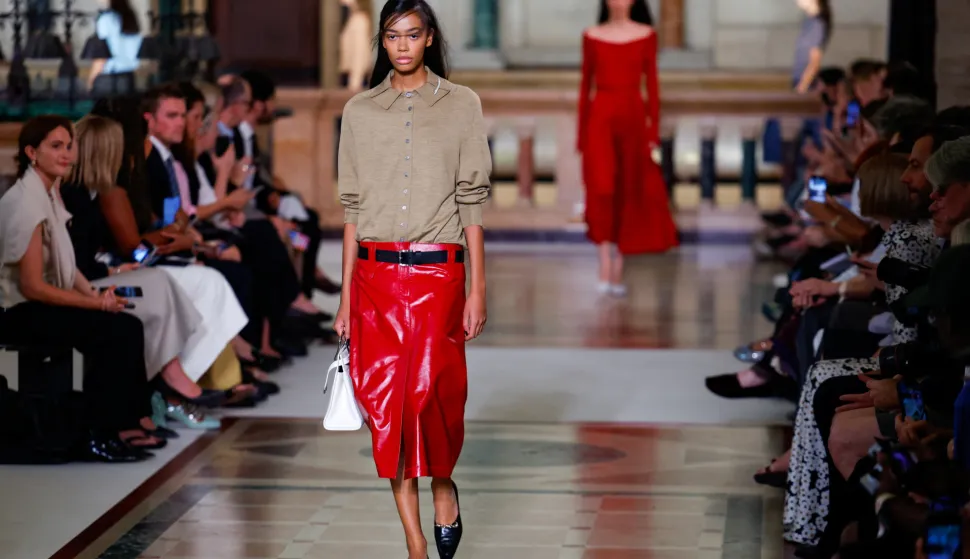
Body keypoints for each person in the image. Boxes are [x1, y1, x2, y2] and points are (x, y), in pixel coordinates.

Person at [332, 1, 490, 557]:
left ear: (428, 39)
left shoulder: (462, 104)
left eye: (412, 35)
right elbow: (351, 210)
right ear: (382, 41)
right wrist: (345, 298)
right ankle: (416, 544)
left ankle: (444, 484)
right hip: (373, 280)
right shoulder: (359, 111)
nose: (402, 45)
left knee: (434, 397)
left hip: (438, 275)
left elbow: (472, 201)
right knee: (388, 413)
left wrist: (477, 289)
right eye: (392, 36)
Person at [0, 115, 158, 462]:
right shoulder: (26, 203)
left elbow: (67, 267)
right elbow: (32, 286)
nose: (67, 154)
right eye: (56, 146)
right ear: (32, 152)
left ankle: (123, 425)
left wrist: (96, 296)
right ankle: (99, 434)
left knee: (127, 324)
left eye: (69, 146)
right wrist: (93, 305)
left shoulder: (48, 193)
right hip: (17, 311)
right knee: (113, 333)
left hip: (38, 305)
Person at [577, 0, 678, 297]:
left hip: (633, 115)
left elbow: (653, 85)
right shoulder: (591, 35)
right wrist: (581, 135)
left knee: (628, 188)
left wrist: (653, 131)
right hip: (601, 116)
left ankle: (617, 266)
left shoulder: (646, 34)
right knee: (602, 187)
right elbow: (585, 85)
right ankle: (604, 263)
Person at [88, 0, 144, 96]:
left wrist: (91, 80)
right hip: (129, 77)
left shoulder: (106, 19)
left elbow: (102, 55)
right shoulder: (131, 19)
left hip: (109, 79)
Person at [792, 0, 833, 94]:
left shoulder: (817, 24)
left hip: (806, 86)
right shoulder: (810, 21)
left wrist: (802, 88)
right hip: (801, 81)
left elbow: (814, 62)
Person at [340, 0, 374, 92]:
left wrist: (354, 83)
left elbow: (359, 54)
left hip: (355, 80)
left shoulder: (359, 21)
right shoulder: (353, 19)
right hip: (352, 77)